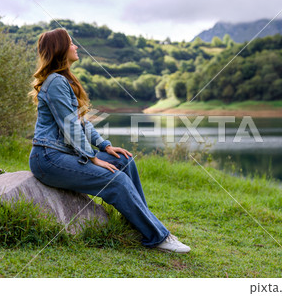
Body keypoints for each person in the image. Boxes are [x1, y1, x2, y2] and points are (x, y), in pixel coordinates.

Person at [28, 28, 190, 253]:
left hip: (62, 154)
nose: (76, 47)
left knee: (124, 161)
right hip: (48, 158)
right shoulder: (55, 82)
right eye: (71, 43)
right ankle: (157, 237)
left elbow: (82, 123)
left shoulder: (63, 80)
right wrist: (93, 158)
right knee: (115, 180)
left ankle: (137, 223)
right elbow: (70, 126)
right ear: (60, 49)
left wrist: (105, 146)